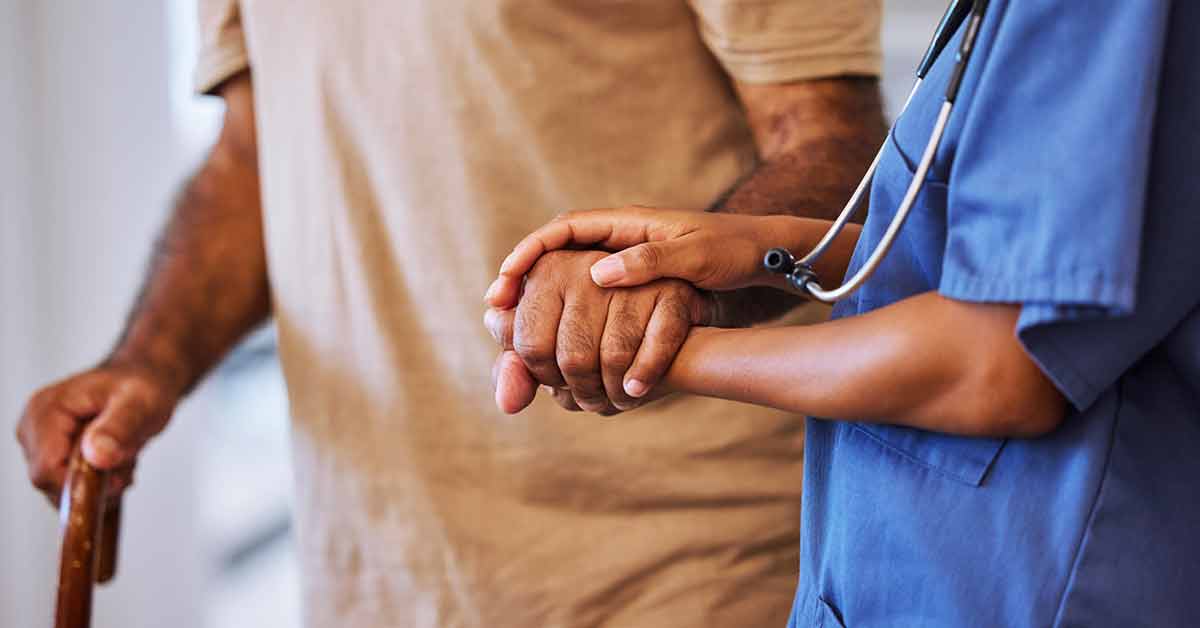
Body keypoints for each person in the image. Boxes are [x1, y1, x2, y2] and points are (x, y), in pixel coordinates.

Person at [14, 1, 887, 626]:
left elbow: (831, 146)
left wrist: (672, 279)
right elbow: (251, 161)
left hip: (682, 566)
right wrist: (144, 364)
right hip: (374, 568)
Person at [487, 1, 1200, 625]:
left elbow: (1001, 361)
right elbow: (983, 259)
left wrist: (659, 347)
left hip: (1030, 584)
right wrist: (763, 243)